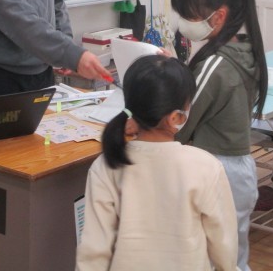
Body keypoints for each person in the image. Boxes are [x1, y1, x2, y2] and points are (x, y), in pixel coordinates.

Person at [76, 54, 239, 271]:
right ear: (176, 118)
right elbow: (224, 244)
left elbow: (94, 249)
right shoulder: (205, 167)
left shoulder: (106, 165)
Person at [170, 0, 268, 271]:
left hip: (216, 171)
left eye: (188, 15)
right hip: (237, 169)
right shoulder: (245, 51)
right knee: (232, 259)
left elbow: (180, 125)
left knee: (210, 260)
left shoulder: (215, 66)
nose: (183, 23)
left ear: (219, 16)